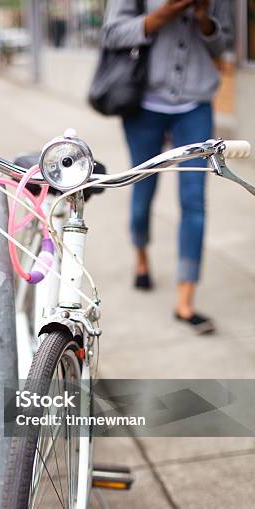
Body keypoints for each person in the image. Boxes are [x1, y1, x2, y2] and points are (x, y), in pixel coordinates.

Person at [102, 0, 232, 334]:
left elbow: (224, 44)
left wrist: (204, 18)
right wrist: (163, 14)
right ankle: (141, 257)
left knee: (194, 200)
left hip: (195, 107)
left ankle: (185, 300)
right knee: (143, 191)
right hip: (143, 103)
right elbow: (113, 33)